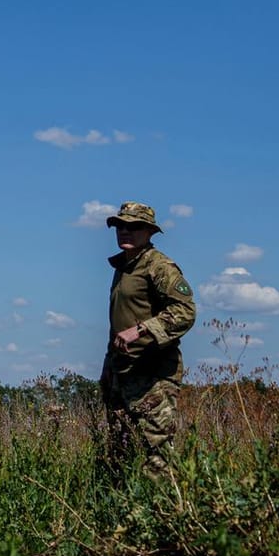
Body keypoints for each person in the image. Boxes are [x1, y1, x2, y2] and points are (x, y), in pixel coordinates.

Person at [98, 202, 196, 474]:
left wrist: (142, 329)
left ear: (149, 232)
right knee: (121, 450)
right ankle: (123, 510)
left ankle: (167, 511)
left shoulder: (159, 266)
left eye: (134, 226)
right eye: (120, 226)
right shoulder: (125, 267)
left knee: (158, 451)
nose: (125, 231)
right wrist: (109, 371)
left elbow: (185, 311)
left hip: (152, 375)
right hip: (123, 373)